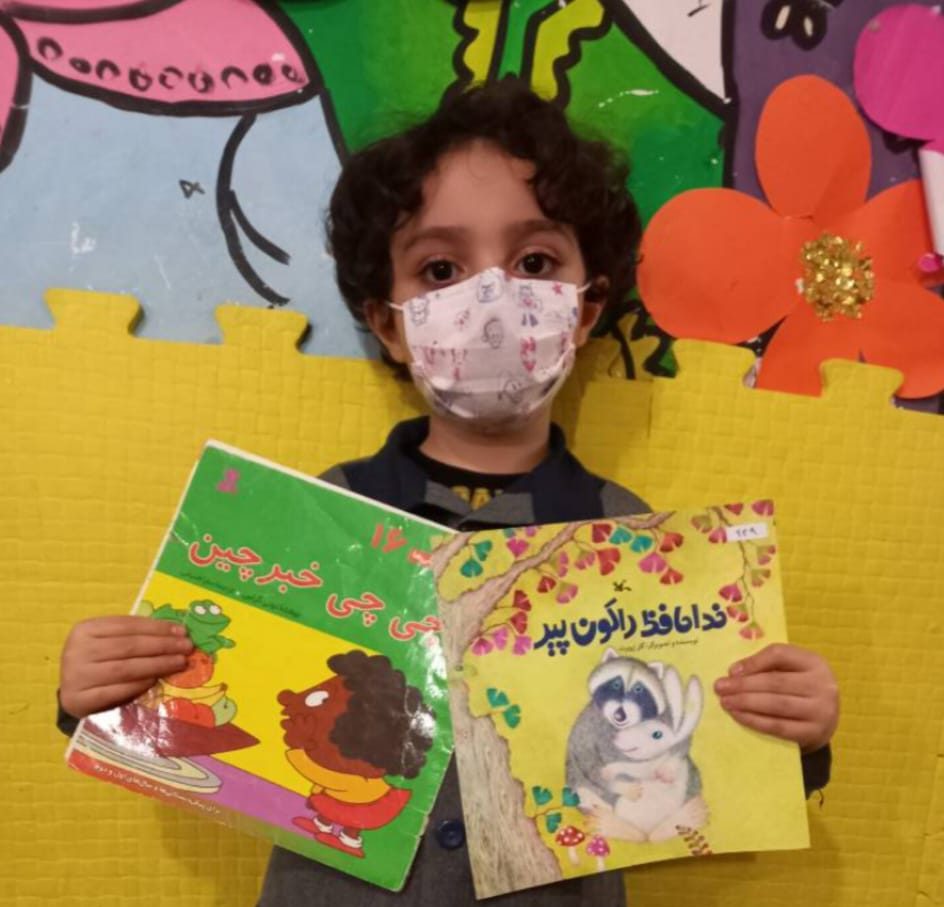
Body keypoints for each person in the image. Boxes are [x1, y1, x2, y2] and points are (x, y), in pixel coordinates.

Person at [57, 79, 839, 907]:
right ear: (388, 322)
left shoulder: (638, 546)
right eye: (440, 269)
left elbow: (689, 761)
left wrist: (791, 731)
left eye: (535, 263)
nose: (490, 299)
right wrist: (103, 693)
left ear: (585, 308)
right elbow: (213, 712)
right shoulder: (315, 518)